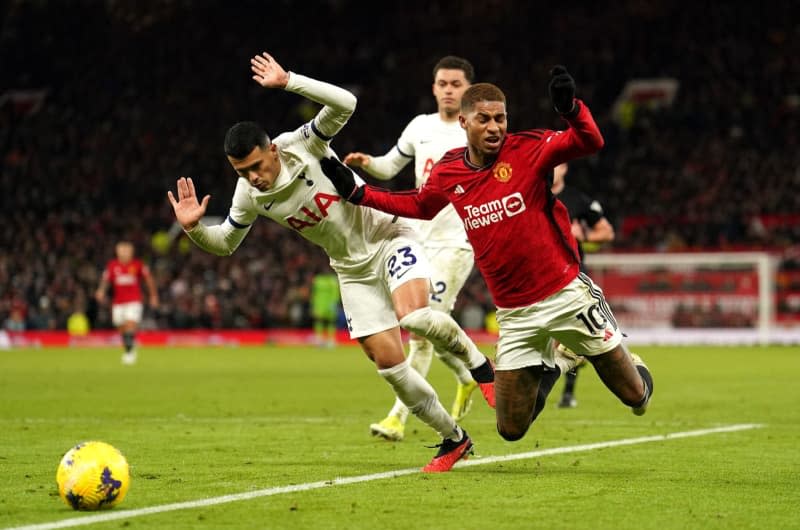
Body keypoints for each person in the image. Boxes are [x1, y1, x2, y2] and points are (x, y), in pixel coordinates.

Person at [166, 52, 495, 472]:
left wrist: (289, 81)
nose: (252, 178)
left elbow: (345, 104)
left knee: (413, 317)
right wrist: (195, 229)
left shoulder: (302, 143)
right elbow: (226, 242)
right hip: (351, 270)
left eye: (255, 167)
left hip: (387, 235)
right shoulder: (247, 194)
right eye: (241, 172)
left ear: (271, 149)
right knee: (389, 365)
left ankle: (483, 369)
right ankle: (453, 439)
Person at [320, 66, 654, 444]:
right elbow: (418, 204)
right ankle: (560, 360)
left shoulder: (529, 149)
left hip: (565, 295)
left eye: (500, 118)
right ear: (464, 122)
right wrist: (359, 194)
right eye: (484, 119)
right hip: (514, 313)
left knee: (634, 396)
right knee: (510, 429)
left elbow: (590, 141)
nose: (495, 127)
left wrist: (571, 108)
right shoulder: (449, 170)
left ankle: (626, 364)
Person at [342, 56, 481, 441]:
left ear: (468, 89)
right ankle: (466, 374)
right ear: (434, 87)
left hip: (456, 244)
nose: (449, 90)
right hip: (417, 237)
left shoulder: (478, 131)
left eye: (456, 84)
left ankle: (398, 418)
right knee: (426, 328)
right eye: (443, 83)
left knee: (418, 325)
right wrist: (368, 162)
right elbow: (390, 167)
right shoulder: (420, 127)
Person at [551, 162, 616, 408]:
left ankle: (568, 392)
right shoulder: (533, 195)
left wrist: (584, 236)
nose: (551, 168)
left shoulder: (577, 200)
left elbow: (607, 232)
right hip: (541, 274)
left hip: (574, 274)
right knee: (550, 335)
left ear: (565, 167)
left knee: (577, 335)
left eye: (556, 164)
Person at [95, 241, 159, 365]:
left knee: (130, 325)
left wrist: (153, 296)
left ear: (131, 252)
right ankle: (130, 345)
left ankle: (129, 353)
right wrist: (101, 291)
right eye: (121, 251)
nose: (124, 253)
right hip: (118, 303)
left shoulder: (137, 264)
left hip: (134, 301)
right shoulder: (112, 265)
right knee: (121, 327)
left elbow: (149, 279)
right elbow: (106, 280)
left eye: (126, 251)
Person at [310, 270, 340, 347]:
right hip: (320, 304)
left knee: (330, 322)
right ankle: (319, 339)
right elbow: (314, 293)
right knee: (319, 321)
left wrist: (334, 302)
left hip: (329, 304)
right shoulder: (318, 280)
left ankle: (330, 340)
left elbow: (335, 293)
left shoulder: (332, 280)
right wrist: (314, 304)